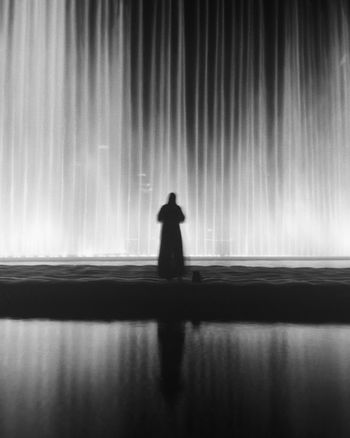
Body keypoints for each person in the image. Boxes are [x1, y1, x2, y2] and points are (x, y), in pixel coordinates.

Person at [157, 193, 185, 279]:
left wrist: (167, 219)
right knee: (177, 251)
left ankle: (164, 270)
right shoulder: (177, 208)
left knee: (165, 251)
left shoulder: (164, 207)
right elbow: (182, 218)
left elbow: (159, 218)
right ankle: (178, 270)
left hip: (166, 232)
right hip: (175, 232)